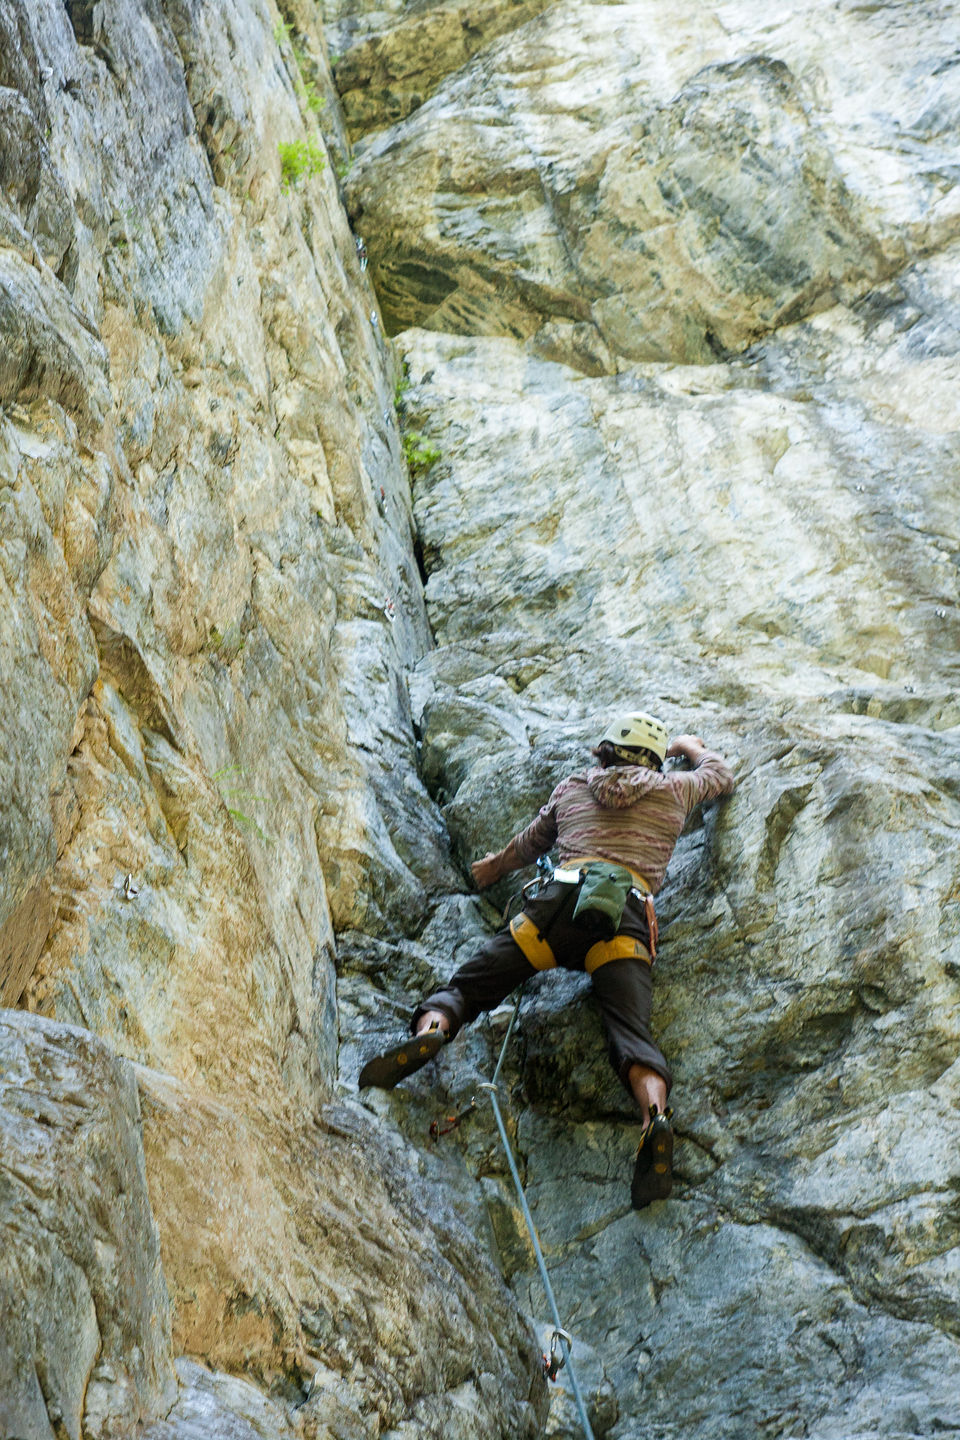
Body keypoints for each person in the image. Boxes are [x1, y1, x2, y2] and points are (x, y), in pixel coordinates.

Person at [359, 712, 735, 1208]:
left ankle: (431, 1032)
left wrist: (492, 868)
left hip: (555, 910)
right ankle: (654, 1117)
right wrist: (690, 746)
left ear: (606, 751)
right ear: (654, 759)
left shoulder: (575, 787)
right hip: (622, 920)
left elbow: (531, 842)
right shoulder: (675, 791)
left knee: (470, 987)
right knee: (632, 1036)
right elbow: (721, 777)